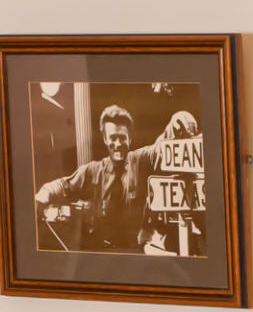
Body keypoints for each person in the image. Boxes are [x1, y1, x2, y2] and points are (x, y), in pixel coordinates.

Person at [36, 96, 197, 254]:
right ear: (105, 139)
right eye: (113, 138)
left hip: (136, 254)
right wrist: (42, 196)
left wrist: (180, 118)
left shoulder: (140, 160)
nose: (118, 144)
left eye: (122, 138)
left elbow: (160, 148)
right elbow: (63, 185)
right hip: (102, 255)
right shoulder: (93, 171)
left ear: (130, 138)